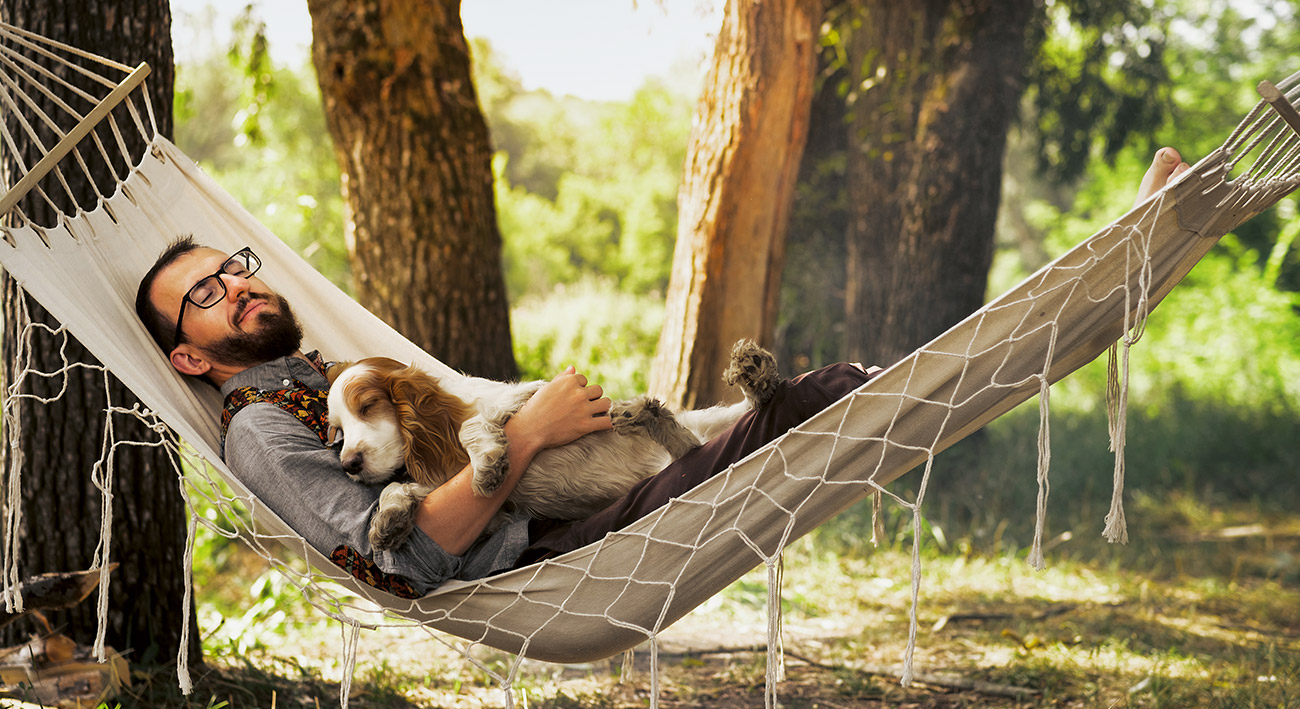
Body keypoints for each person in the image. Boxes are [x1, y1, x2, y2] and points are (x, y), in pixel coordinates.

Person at [135, 148, 1190, 595]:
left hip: (596, 490)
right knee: (817, 405)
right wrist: (535, 434)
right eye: (208, 296)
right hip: (550, 554)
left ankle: (1090, 291)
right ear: (188, 353)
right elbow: (401, 565)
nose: (237, 286)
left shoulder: (336, 377)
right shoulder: (265, 429)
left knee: (808, 402)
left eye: (232, 266)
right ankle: (1091, 297)